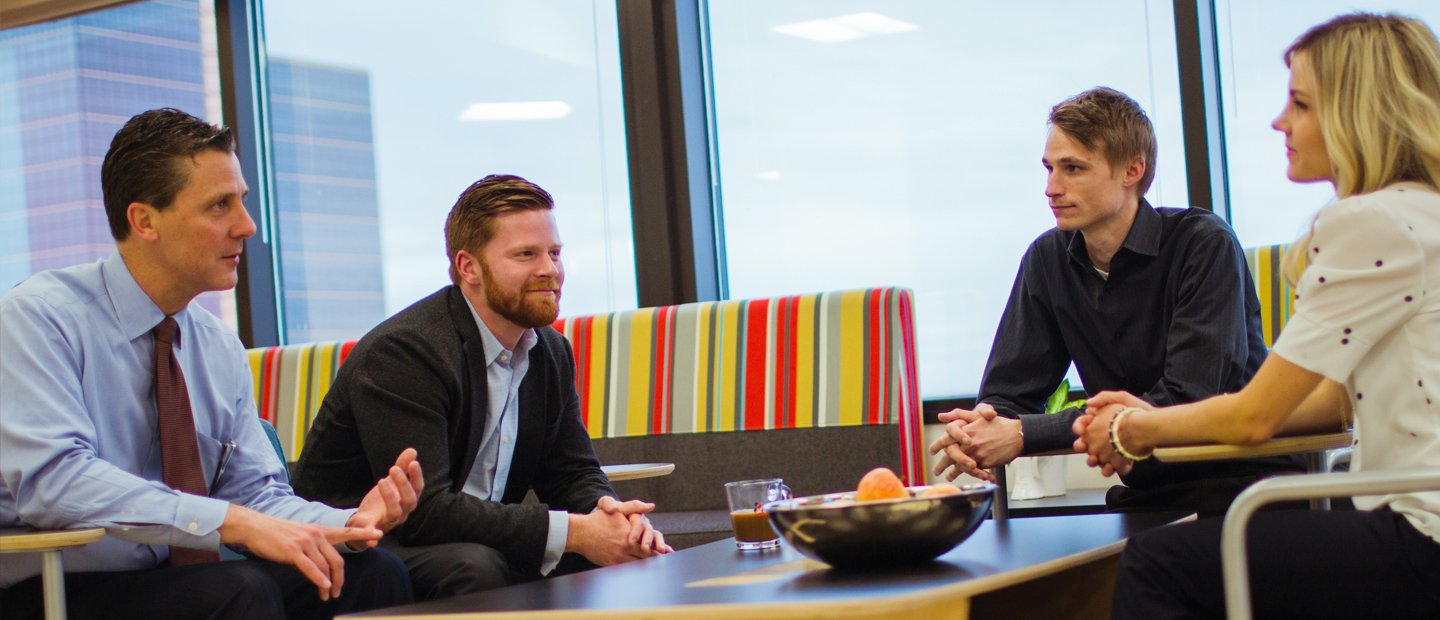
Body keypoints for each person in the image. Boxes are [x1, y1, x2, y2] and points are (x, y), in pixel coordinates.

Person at [1076, 12, 1440, 616]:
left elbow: (1253, 417)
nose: (1279, 121)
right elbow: (1331, 404)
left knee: (1155, 563)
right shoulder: (1423, 213)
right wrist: (1153, 421)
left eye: (1300, 104)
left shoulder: (1370, 223)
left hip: (1419, 533)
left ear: (1357, 112)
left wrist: (1132, 429)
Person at [0, 108, 424, 620]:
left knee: (372, 573)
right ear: (144, 221)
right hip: (51, 588)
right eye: (219, 206)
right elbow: (55, 483)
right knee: (240, 590)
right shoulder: (40, 319)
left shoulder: (215, 344)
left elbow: (255, 495)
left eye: (242, 202)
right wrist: (232, 522)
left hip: (170, 580)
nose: (246, 226)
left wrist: (353, 522)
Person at [291, 174, 672, 601]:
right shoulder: (405, 353)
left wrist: (612, 517)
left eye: (554, 252)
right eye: (526, 254)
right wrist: (577, 531)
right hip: (358, 545)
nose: (549, 269)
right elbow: (424, 510)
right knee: (477, 564)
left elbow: (572, 472)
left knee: (613, 553)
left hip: (469, 538)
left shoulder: (549, 351)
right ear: (468, 267)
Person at [929, 87, 1302, 516]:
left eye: (1073, 169)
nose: (1052, 188)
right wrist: (976, 429)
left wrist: (1022, 434)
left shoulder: (1204, 243)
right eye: (1049, 168)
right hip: (1148, 495)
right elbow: (1007, 396)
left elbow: (1186, 398)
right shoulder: (1046, 259)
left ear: (1132, 170)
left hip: (1245, 488)